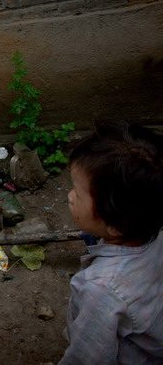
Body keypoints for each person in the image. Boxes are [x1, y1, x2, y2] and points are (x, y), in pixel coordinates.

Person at [61, 120, 163, 364]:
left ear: (115, 224)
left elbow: (86, 357)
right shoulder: (155, 232)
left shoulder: (101, 290)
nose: (69, 196)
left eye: (77, 192)